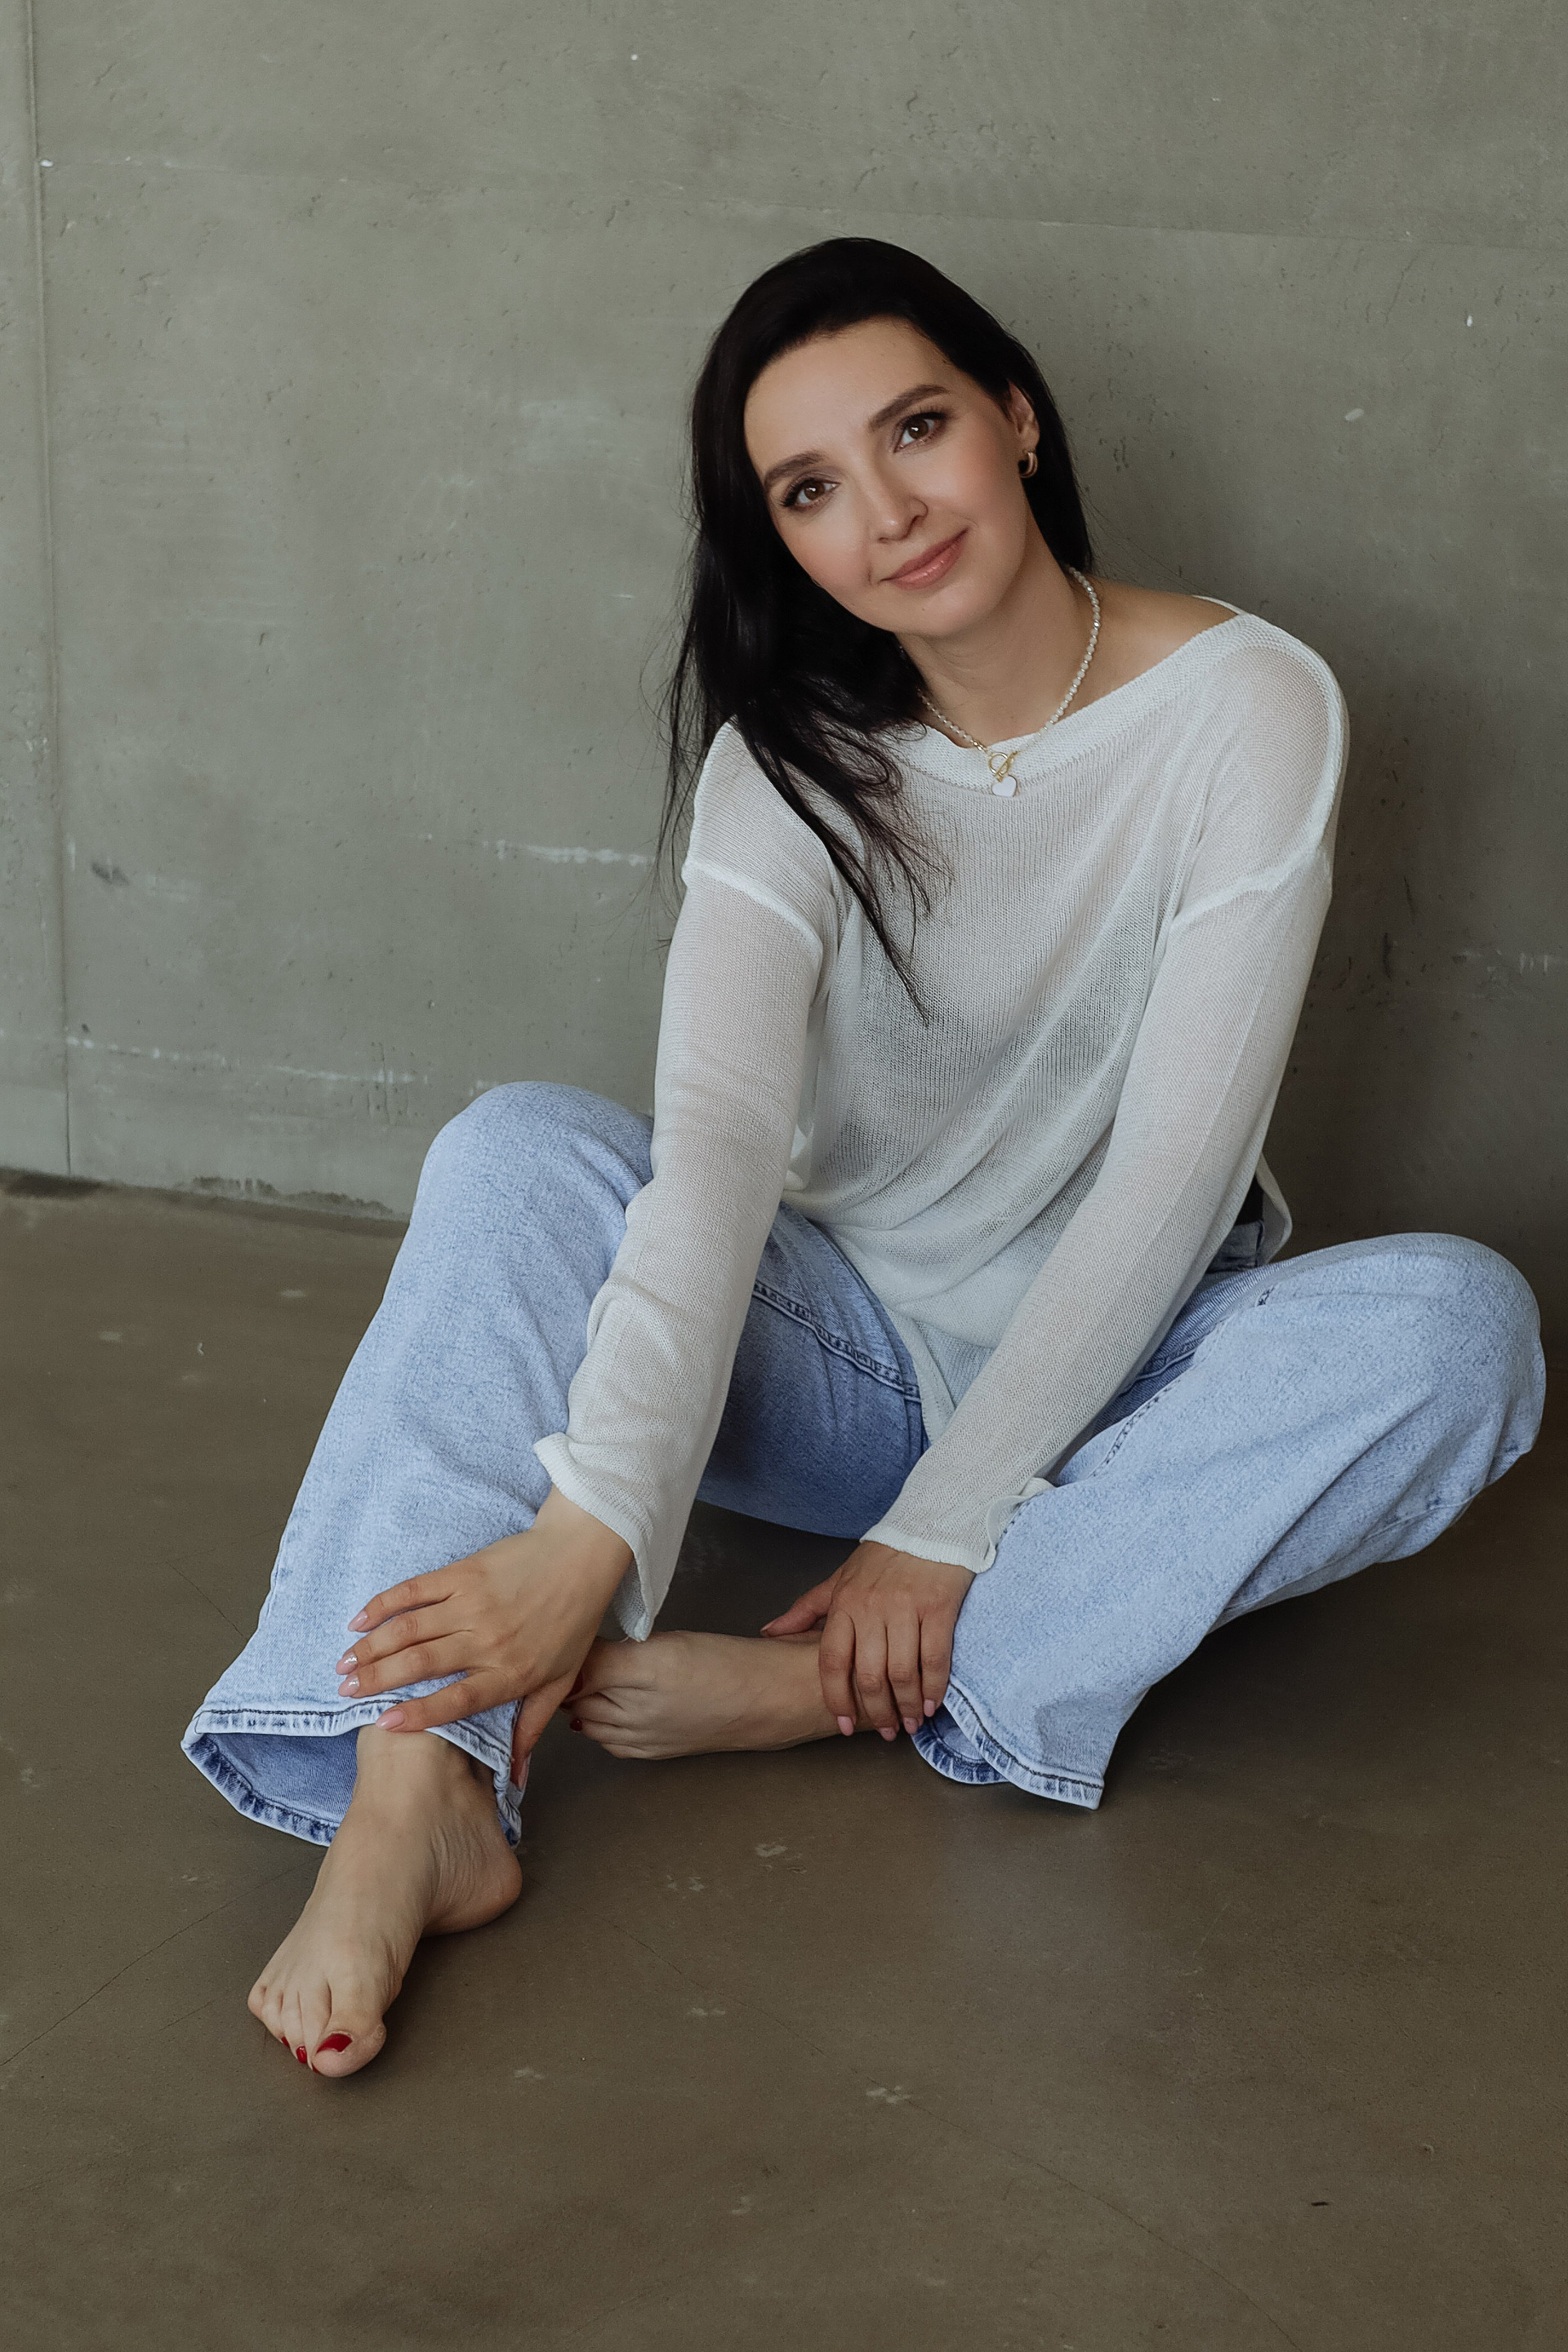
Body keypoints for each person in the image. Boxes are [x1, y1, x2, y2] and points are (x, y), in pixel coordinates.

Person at [183, 238, 1545, 2079]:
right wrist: (592, 1535)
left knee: (1461, 1327)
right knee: (519, 1149)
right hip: (839, 1360)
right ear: (781, 540)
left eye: (916, 430)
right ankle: (416, 1785)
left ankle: (862, 1692)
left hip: (1130, 1387)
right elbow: (722, 1149)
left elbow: (1172, 1175)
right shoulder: (790, 763)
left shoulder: (1248, 703)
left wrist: (940, 1538)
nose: (888, 514)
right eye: (811, 489)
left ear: (1018, 419)